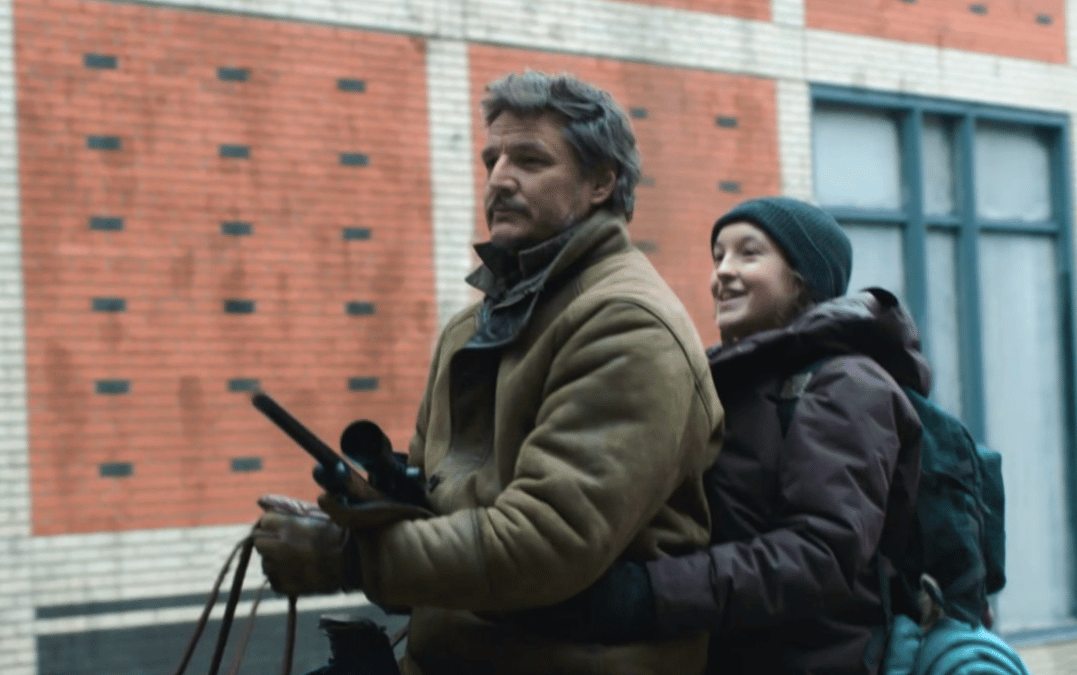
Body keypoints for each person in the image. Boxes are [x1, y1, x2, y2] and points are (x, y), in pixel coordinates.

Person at [251, 71, 724, 675]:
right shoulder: (472, 326)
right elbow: (432, 529)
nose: (500, 178)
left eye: (530, 159)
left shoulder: (627, 324)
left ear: (601, 182)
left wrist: (346, 560)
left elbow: (547, 542)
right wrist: (357, 519)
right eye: (491, 159)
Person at [518, 196, 931, 675]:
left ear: (803, 279)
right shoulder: (729, 382)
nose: (723, 273)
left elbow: (821, 556)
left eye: (748, 253)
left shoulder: (847, 385)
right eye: (718, 256)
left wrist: (646, 594)